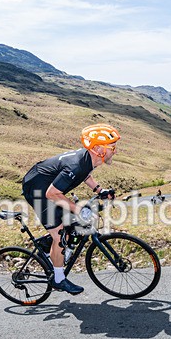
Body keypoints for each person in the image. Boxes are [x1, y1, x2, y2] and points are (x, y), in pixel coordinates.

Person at [22, 124, 119, 294]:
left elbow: (85, 175)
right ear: (97, 148)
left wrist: (99, 190)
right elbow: (52, 194)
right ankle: (58, 279)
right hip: (39, 190)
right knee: (59, 235)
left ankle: (47, 246)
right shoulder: (78, 164)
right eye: (112, 147)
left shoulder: (90, 159)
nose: (115, 151)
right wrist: (79, 209)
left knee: (71, 222)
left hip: (49, 187)